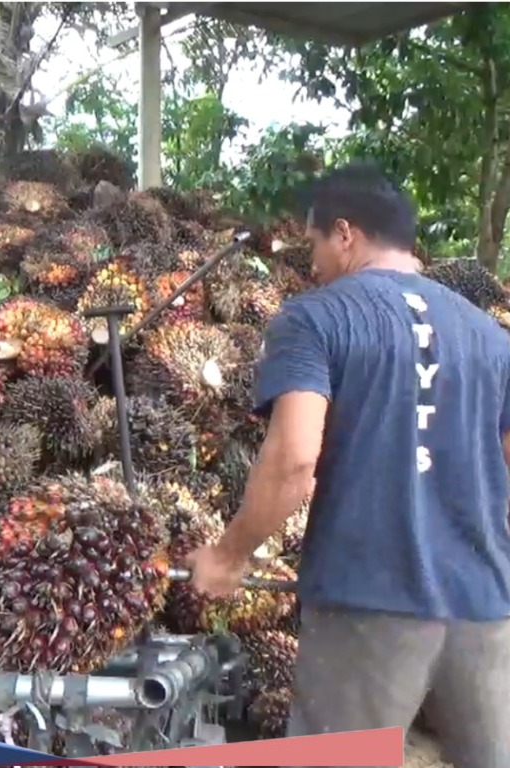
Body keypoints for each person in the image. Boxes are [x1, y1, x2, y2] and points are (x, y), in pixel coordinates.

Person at [187, 164, 510, 768]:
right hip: (486, 611)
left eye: (312, 243)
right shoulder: (492, 339)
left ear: (344, 234)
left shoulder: (316, 319)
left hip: (367, 609)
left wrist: (228, 557)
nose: (311, 263)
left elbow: (294, 459)